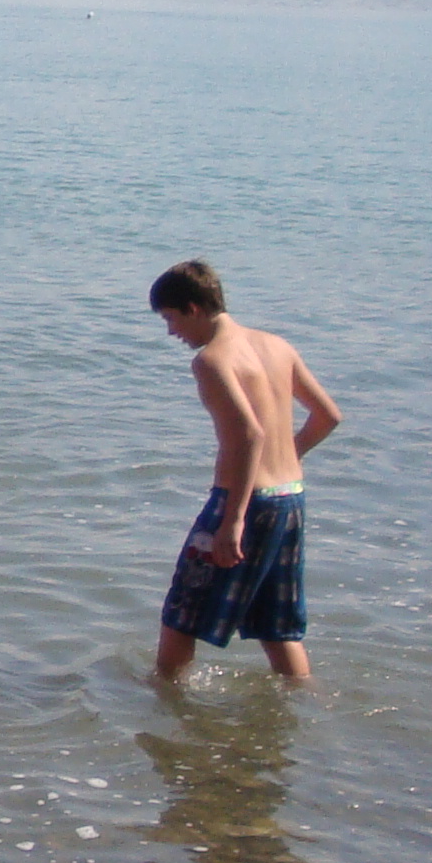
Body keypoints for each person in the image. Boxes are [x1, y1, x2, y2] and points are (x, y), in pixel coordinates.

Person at [149, 259, 341, 683]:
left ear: (193, 308)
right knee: (277, 626)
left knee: (182, 615)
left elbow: (250, 435)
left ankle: (162, 699)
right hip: (289, 498)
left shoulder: (212, 361)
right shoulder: (276, 345)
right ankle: (301, 703)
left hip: (244, 503)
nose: (172, 332)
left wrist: (233, 520)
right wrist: (288, 455)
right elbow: (328, 416)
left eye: (171, 319)